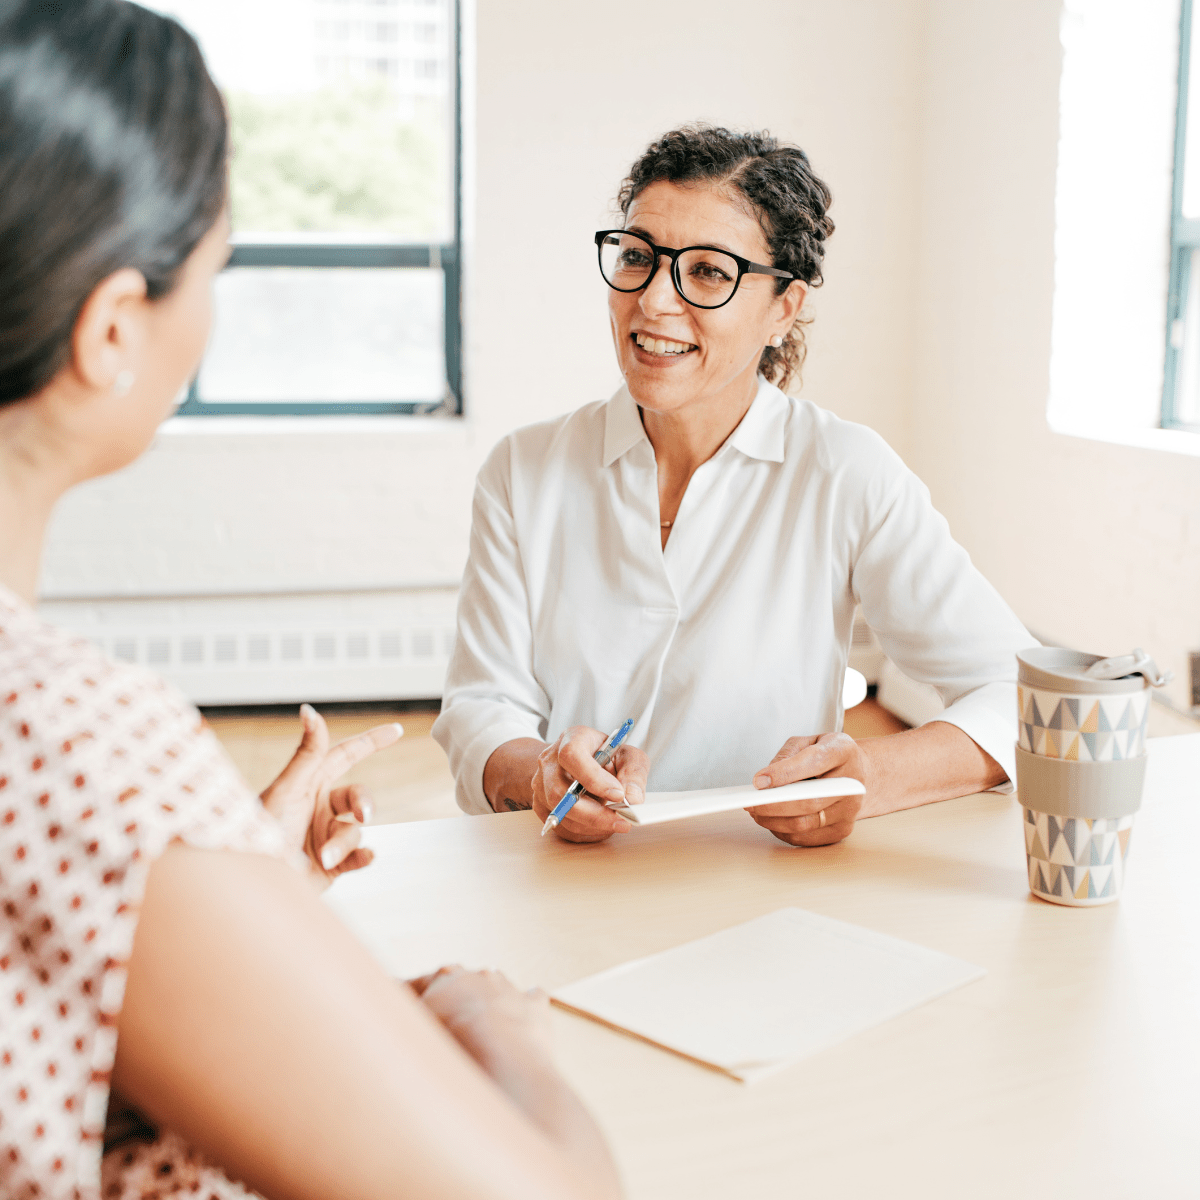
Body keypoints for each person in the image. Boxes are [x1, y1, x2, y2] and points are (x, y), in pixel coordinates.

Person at [0, 4, 621, 1198]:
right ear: (113, 328)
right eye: (216, 271)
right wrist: (490, 1020)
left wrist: (223, 884)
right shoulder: (81, 748)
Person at [433, 124, 1038, 846]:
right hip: (564, 872)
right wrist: (539, 772)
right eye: (637, 257)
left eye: (709, 272)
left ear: (783, 308)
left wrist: (865, 778)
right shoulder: (524, 469)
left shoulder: (845, 471)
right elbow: (481, 707)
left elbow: (1022, 694)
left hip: (763, 877)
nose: (654, 302)